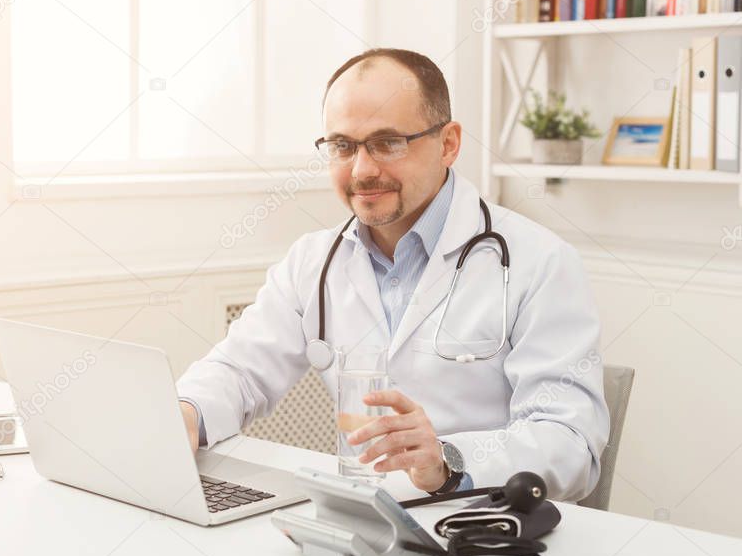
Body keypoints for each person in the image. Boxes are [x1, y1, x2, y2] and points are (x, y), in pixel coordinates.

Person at [176, 48, 609, 500]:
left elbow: (572, 443)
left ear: (448, 144)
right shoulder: (312, 262)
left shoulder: (539, 261)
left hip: (483, 526)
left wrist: (447, 460)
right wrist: (186, 414)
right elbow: (239, 371)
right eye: (342, 146)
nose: (362, 170)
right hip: (363, 518)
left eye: (387, 143)